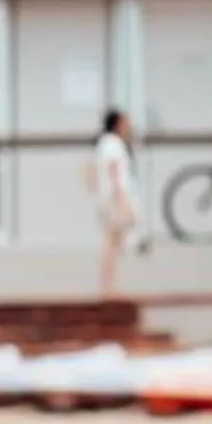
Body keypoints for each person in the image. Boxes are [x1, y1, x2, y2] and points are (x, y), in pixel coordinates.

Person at [87, 108, 138, 299]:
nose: (129, 127)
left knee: (112, 243)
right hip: (113, 198)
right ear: (118, 124)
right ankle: (108, 288)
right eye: (126, 123)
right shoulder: (113, 144)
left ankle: (109, 286)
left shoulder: (104, 144)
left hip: (106, 198)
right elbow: (114, 171)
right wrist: (122, 200)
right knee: (112, 243)